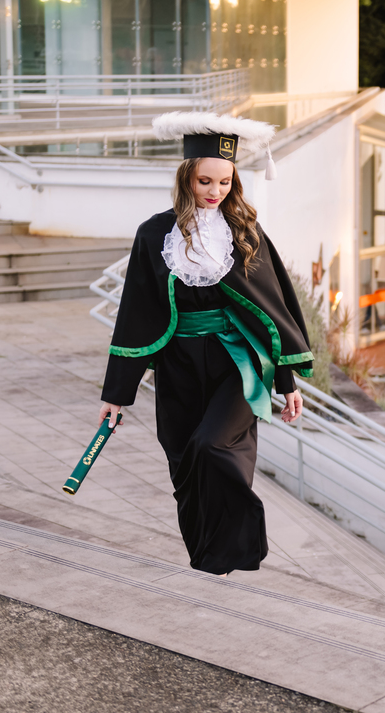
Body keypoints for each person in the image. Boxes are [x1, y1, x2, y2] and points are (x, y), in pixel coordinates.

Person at [99, 112, 313, 576]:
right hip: (177, 364)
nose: (215, 191)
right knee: (184, 462)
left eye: (224, 181)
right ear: (185, 179)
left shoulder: (245, 234)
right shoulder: (154, 235)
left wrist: (286, 380)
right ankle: (209, 554)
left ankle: (243, 537)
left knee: (211, 446)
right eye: (204, 181)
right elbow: (135, 313)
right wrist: (117, 394)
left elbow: (273, 310)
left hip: (236, 364)